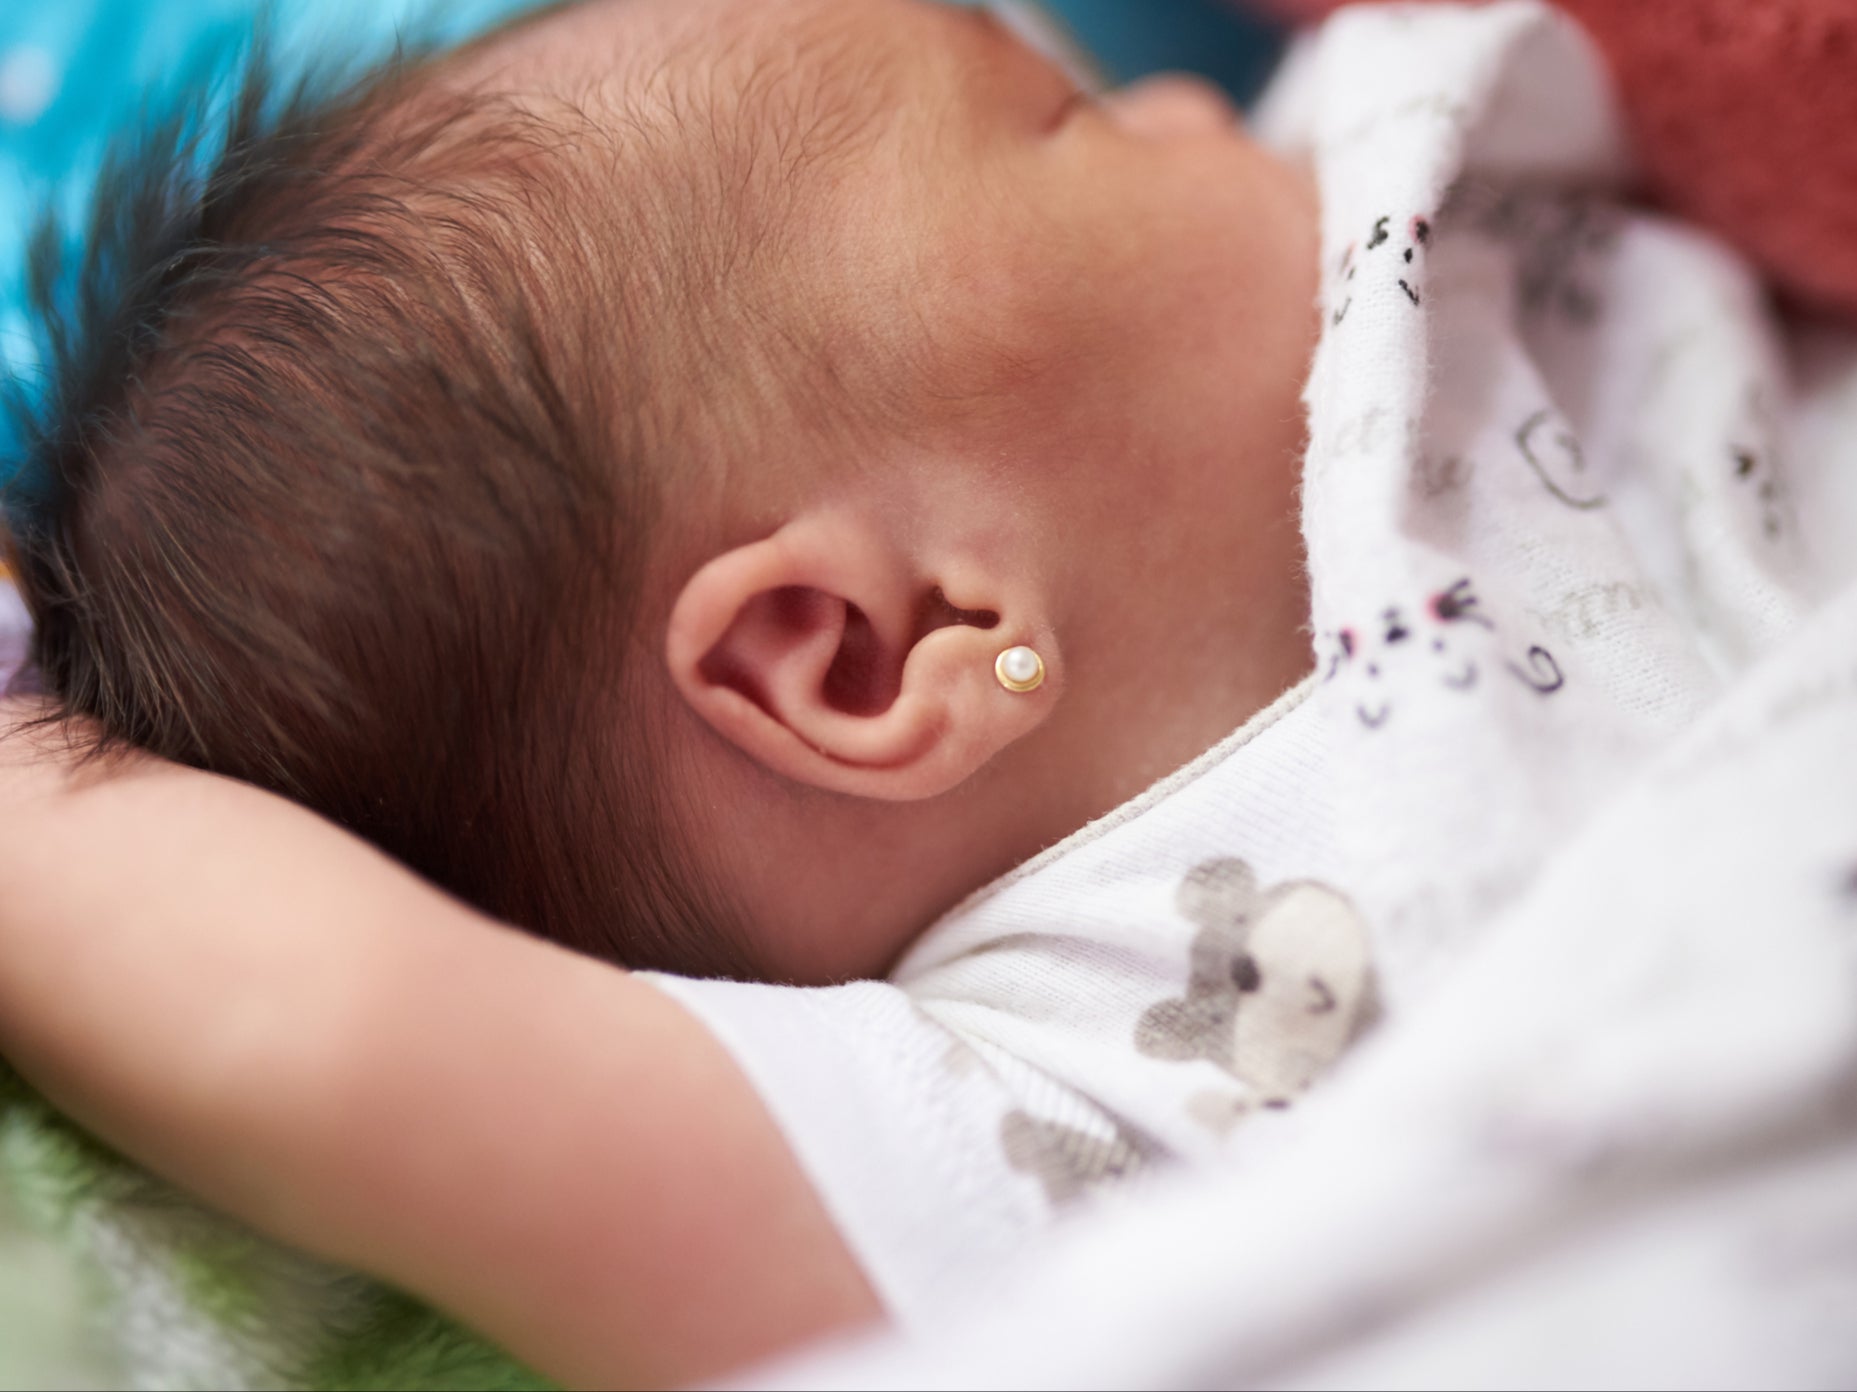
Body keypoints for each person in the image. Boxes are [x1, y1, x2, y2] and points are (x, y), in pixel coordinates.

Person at [2, 0, 1852, 1386]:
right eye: (1071, 125)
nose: (1193, 99)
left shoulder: (1505, 271)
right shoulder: (1036, 1100)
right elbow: (314, 1025)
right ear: (880, 654)